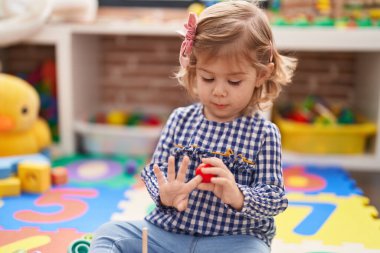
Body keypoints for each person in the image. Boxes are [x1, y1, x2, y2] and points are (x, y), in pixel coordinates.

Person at [90, 0, 296, 252]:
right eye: (208, 78)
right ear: (195, 70)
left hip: (232, 240)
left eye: (233, 81)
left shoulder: (264, 133)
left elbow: (275, 199)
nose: (219, 91)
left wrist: (238, 194)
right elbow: (155, 172)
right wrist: (165, 193)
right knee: (109, 234)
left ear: (261, 75)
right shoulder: (180, 119)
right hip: (170, 233)